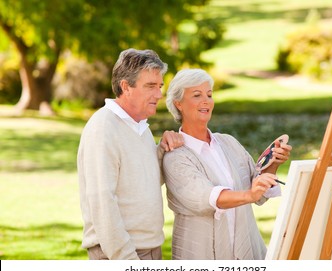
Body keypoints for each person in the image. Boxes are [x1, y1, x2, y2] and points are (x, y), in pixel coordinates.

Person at [163, 68, 292, 260]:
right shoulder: (175, 156)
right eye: (197, 95)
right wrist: (249, 194)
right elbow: (206, 197)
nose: (206, 101)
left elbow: (257, 187)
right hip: (200, 254)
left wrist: (273, 164)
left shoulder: (228, 142)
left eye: (209, 94)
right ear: (178, 104)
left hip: (246, 249)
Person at [77, 48, 184, 260]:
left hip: (149, 250)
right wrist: (126, 260)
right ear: (126, 87)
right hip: (119, 255)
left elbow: (144, 183)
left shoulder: (140, 127)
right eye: (150, 86)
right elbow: (102, 201)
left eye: (159, 86)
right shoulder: (104, 127)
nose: (158, 94)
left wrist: (162, 151)